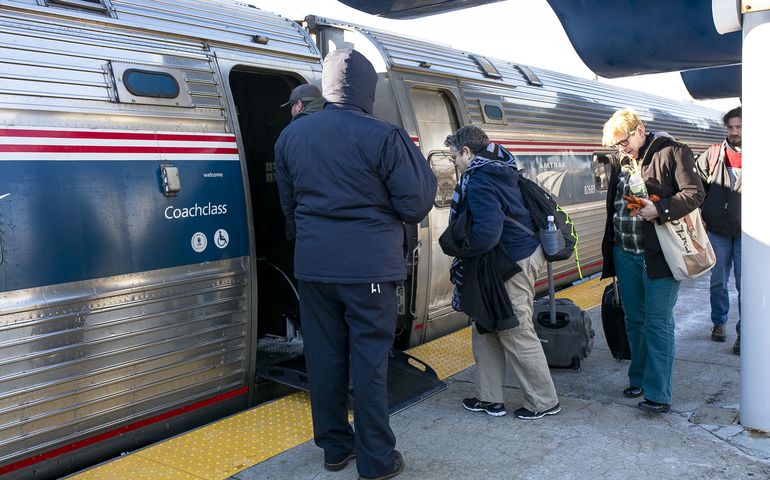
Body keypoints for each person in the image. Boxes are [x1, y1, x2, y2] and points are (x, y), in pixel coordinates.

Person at [274, 49, 437, 480]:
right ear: (367, 88)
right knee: (369, 364)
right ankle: (377, 461)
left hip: (313, 269)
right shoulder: (385, 136)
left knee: (324, 359)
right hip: (369, 271)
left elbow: (288, 210)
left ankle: (333, 448)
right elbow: (416, 204)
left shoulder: (291, 137)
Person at [443, 125, 560, 420]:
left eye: (454, 156)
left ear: (467, 152)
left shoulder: (481, 180)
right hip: (505, 260)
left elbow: (486, 234)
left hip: (510, 263)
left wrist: (459, 249)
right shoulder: (501, 168)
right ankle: (489, 397)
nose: (453, 162)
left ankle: (544, 401)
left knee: (516, 329)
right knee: (485, 325)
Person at [600, 109, 705, 414]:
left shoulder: (673, 152)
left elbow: (694, 193)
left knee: (658, 323)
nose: (621, 148)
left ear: (639, 130)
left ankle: (658, 393)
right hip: (625, 252)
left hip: (660, 254)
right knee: (634, 320)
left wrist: (661, 210)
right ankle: (639, 378)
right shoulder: (622, 162)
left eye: (623, 141)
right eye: (616, 145)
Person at [696, 107, 742, 355]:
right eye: (731, 127)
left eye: (739, 127)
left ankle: (744, 332)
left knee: (746, 285)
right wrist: (702, 212)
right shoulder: (713, 155)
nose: (734, 132)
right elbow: (693, 186)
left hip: (749, 234)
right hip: (718, 229)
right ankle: (719, 322)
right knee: (717, 281)